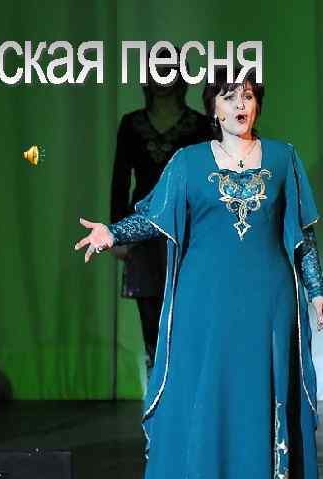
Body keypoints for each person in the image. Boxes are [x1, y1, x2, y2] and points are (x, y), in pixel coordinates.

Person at [75, 67, 323, 479]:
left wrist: (316, 289)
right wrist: (111, 232)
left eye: (248, 96)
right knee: (206, 405)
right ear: (213, 108)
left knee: (260, 406)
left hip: (269, 309)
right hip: (204, 310)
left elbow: (303, 233)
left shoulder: (283, 158)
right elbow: (153, 216)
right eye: (230, 97)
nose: (241, 105)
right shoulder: (189, 163)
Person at [110, 51, 211, 368]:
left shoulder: (200, 125)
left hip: (187, 230)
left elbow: (207, 182)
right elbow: (120, 180)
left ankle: (185, 384)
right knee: (151, 318)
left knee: (187, 312)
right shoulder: (131, 124)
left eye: (170, 69)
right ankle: (158, 387)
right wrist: (117, 232)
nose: (164, 75)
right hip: (143, 230)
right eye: (158, 69)